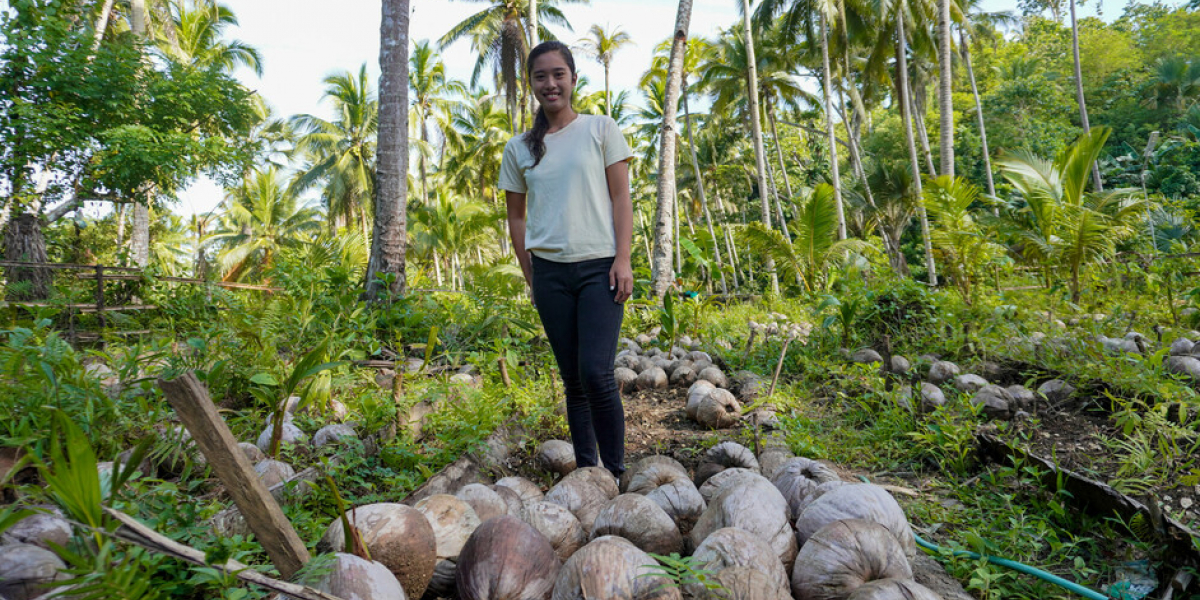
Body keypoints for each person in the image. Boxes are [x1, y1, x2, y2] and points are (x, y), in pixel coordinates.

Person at [498, 41, 634, 478]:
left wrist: (624, 259)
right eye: (541, 76)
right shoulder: (518, 148)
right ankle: (585, 472)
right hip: (550, 274)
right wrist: (531, 277)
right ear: (531, 85)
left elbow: (621, 198)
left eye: (559, 74)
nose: (550, 83)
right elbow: (516, 218)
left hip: (600, 266)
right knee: (573, 381)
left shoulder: (600, 129)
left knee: (596, 372)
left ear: (574, 79)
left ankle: (613, 473)